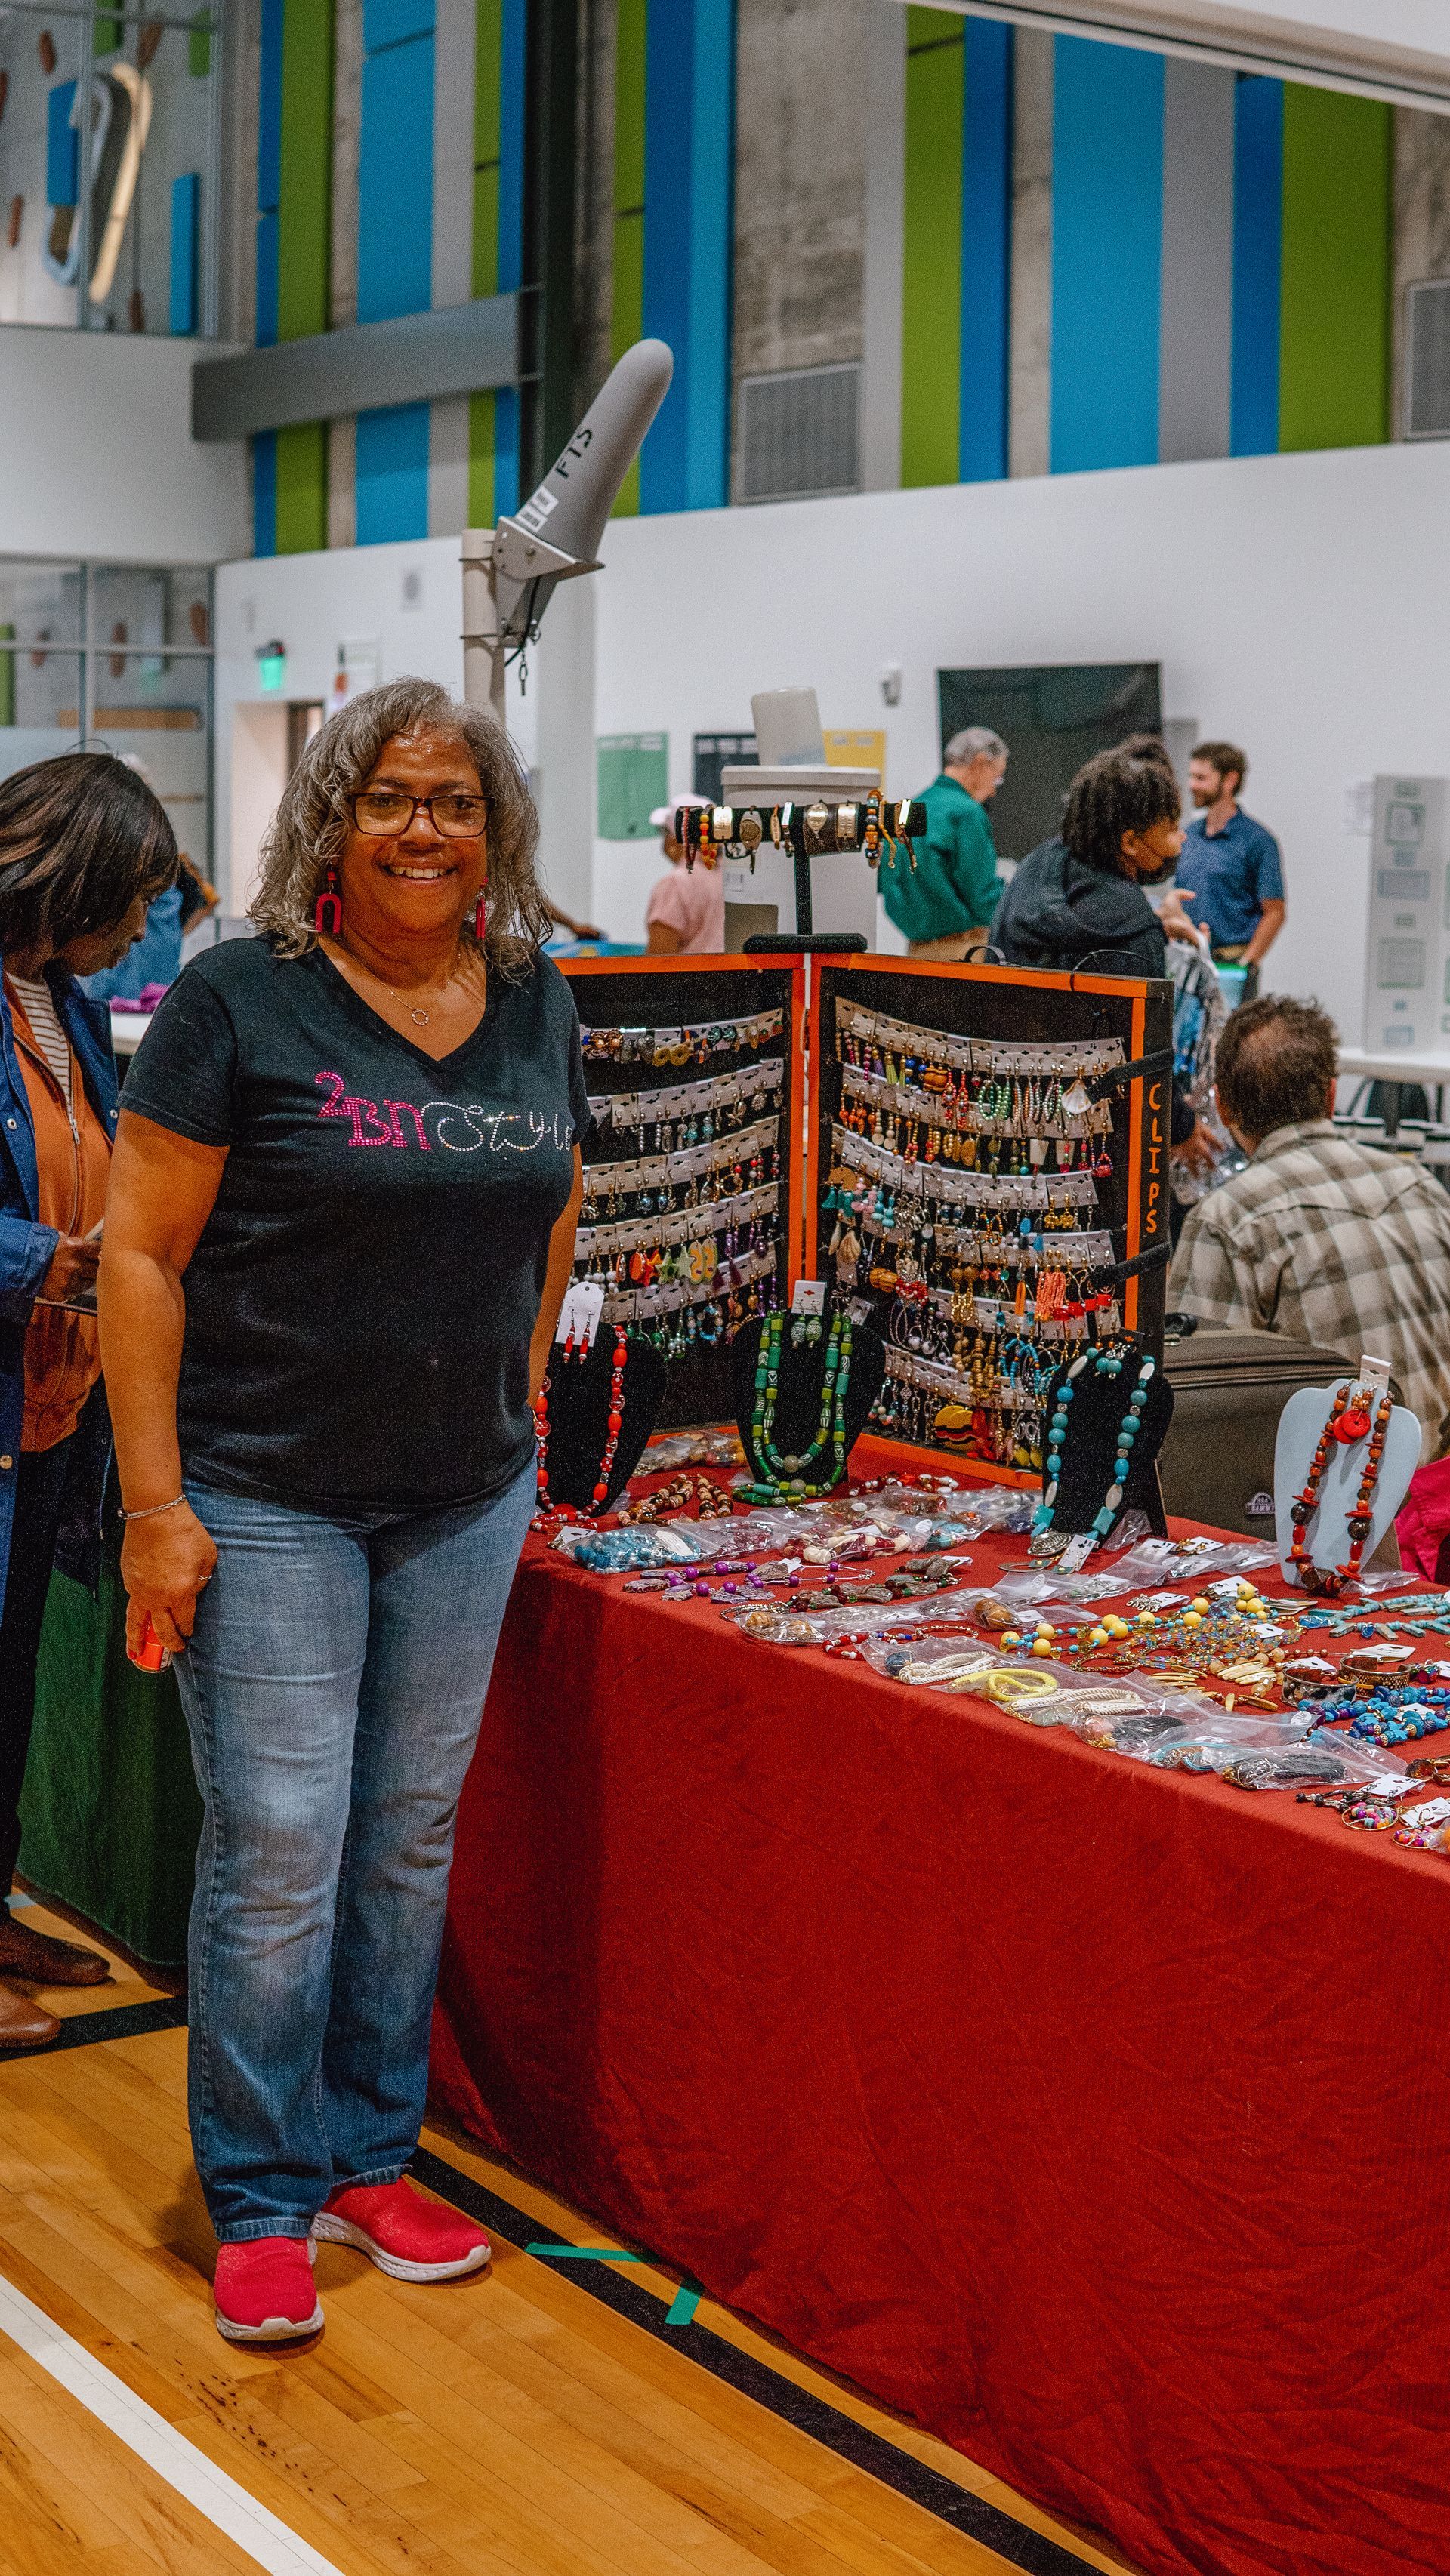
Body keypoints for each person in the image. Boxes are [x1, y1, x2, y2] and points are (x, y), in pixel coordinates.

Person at [98, 677, 588, 2345]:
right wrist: (155, 1502)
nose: (425, 827)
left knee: (404, 1837)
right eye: (389, 796)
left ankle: (374, 2153)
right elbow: (138, 1256)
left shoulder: (534, 999)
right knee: (285, 1843)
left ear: (495, 824)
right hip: (267, 1488)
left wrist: (518, 1404)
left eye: (454, 799)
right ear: (332, 815)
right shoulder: (240, 1000)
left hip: (462, 1492)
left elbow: (553, 1204)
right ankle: (260, 2187)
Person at [0, 753, 178, 2045]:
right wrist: (37, 1258)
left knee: (10, 1680)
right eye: (128, 905)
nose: (136, 935)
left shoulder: (58, 1005)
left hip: (49, 1408)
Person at [1171, 995, 1450, 1460]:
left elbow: (1194, 1413)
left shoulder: (1229, 1221)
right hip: (1437, 1508)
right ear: (1331, 1095)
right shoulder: (1422, 1187)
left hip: (1329, 1516)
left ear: (1224, 1108)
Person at [991, 747, 1214, 1173]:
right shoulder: (1133, 928)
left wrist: (1151, 918)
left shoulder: (1038, 867)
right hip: (1100, 1145)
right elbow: (1146, 1055)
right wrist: (1182, 1127)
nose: (1181, 839)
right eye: (1170, 829)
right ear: (1130, 841)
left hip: (1009, 1105)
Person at [880, 727, 1007, 960]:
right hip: (965, 951)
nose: (992, 792)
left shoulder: (905, 811)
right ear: (981, 763)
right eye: (996, 779)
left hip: (915, 952)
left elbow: (886, 883)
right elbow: (981, 895)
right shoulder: (965, 812)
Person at [1180, 741, 1285, 994]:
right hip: (1188, 962)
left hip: (1231, 965)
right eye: (1191, 776)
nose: (1191, 785)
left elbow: (1275, 912)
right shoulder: (1189, 836)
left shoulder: (1258, 841)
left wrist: (1246, 964)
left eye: (1201, 778)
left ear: (1229, 780)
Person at [645, 795, 723, 954]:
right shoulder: (728, 876)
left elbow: (659, 961)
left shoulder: (675, 884)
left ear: (677, 840)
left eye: (665, 831)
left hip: (687, 978)